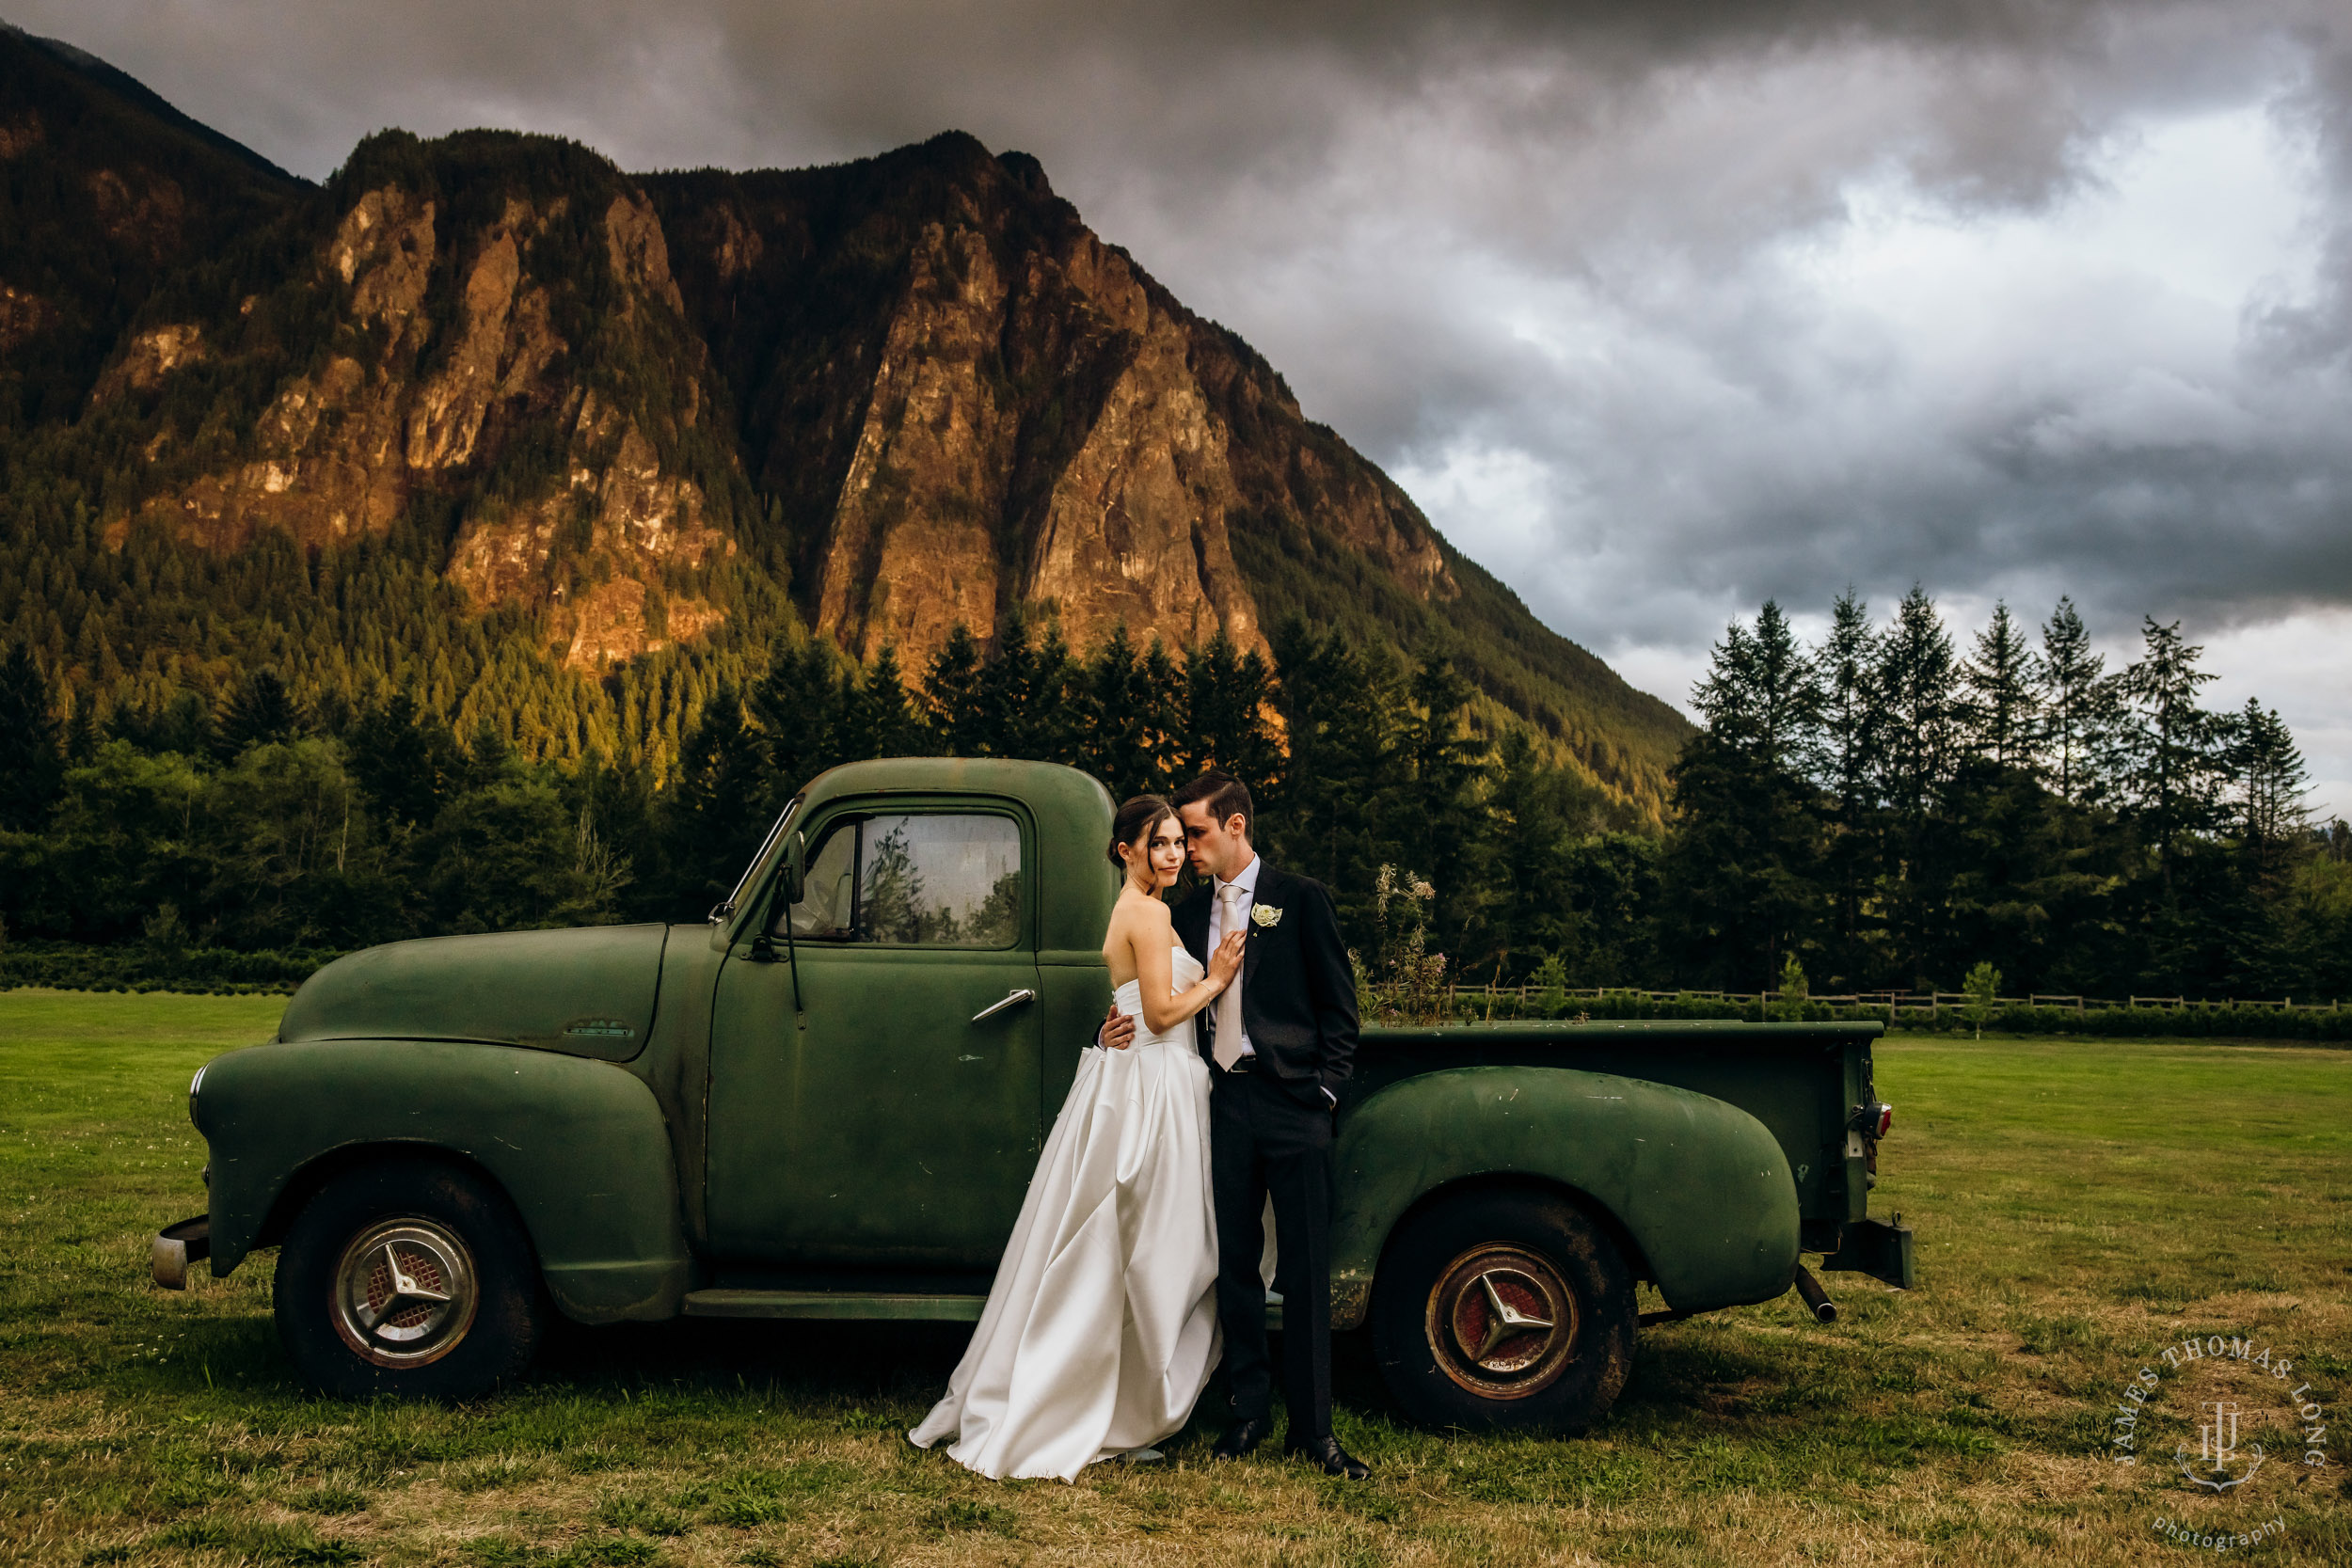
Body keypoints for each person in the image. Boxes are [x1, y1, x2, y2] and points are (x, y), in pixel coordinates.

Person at [910, 796, 1246, 1481]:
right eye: (1161, 843)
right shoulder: (1149, 913)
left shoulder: (1132, 910)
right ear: (1127, 850)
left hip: (1134, 1074)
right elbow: (1157, 1010)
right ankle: (1115, 1405)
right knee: (1155, 1249)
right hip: (1154, 1086)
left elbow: (1128, 1005)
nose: (1175, 853)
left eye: (1181, 841)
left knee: (1127, 1248)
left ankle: (1117, 1399)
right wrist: (1215, 979)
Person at [1170, 768, 1371, 1480]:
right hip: (1225, 1103)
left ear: (1235, 826)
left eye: (1195, 831)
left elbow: (1340, 1012)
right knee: (1236, 1267)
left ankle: (1315, 1432)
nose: (1186, 845)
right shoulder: (1190, 915)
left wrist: (1324, 1094)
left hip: (1294, 1105)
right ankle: (1248, 1411)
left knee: (1307, 1270)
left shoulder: (1300, 898)